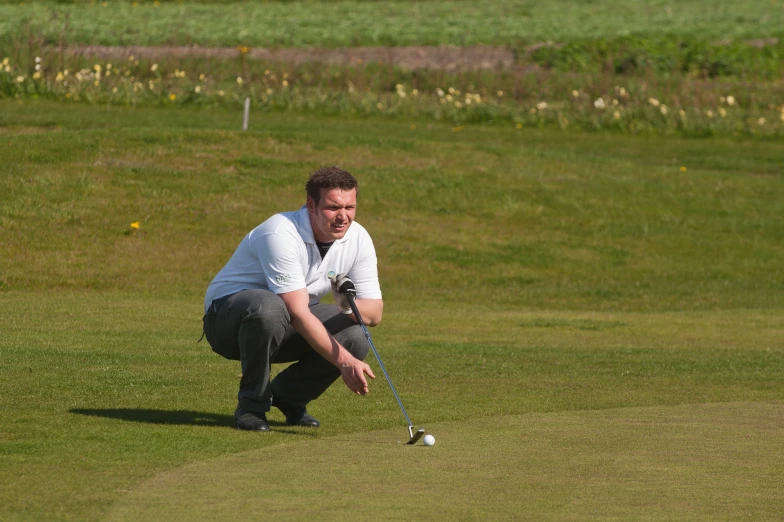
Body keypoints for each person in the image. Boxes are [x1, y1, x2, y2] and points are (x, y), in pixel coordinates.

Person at [202, 166, 383, 432]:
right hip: (227, 322)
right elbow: (297, 312)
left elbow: (374, 313)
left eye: (350, 207)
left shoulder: (358, 237)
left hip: (285, 317)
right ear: (311, 204)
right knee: (270, 307)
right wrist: (344, 362)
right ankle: (252, 407)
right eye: (333, 207)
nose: (343, 217)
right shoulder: (280, 233)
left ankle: (288, 398)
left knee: (355, 336)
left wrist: (345, 304)